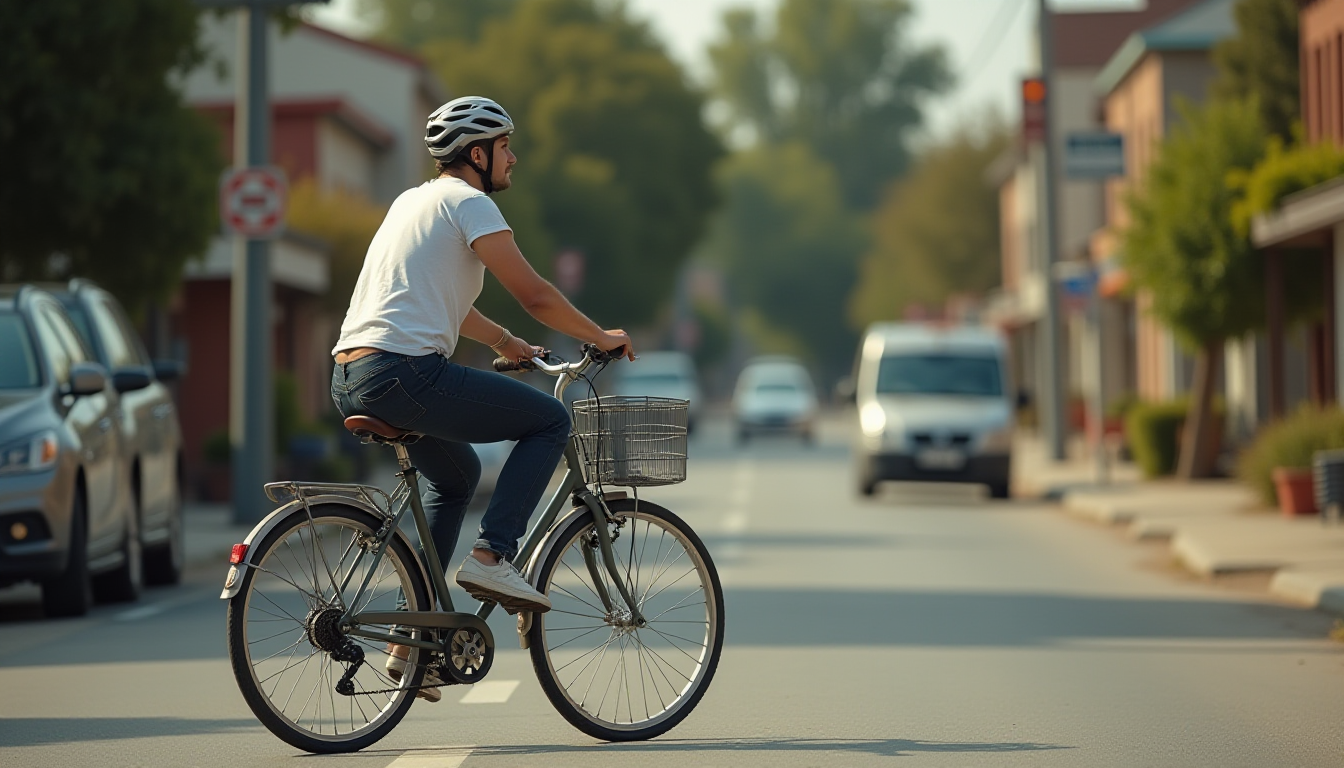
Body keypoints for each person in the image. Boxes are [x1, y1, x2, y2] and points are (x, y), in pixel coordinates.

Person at [330, 96, 634, 700]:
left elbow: (441, 298)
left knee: (456, 475)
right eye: (505, 147)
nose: (513, 158)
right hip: (404, 373)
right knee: (550, 420)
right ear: (477, 154)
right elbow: (536, 294)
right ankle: (493, 558)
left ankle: (405, 641)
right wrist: (599, 336)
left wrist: (505, 341)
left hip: (351, 375)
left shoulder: (411, 203)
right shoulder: (469, 202)